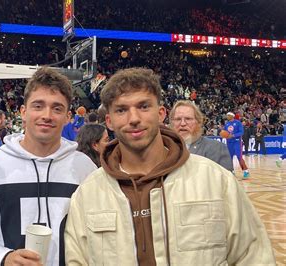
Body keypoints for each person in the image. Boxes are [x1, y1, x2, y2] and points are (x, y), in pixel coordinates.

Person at [64, 68, 275, 265]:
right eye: (121, 110)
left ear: (161, 113)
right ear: (109, 121)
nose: (134, 118)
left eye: (144, 106)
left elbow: (254, 255)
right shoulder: (88, 193)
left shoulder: (216, 180)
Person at [0, 67, 97, 266]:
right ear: (23, 112)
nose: (47, 115)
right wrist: (2, 256)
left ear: (67, 117)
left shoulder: (84, 167)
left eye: (57, 108)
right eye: (38, 106)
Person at [170, 100, 233, 171]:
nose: (183, 123)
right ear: (172, 123)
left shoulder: (217, 148)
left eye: (188, 119)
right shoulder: (165, 149)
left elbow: (225, 181)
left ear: (199, 122)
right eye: (178, 119)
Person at [224, 112, 250, 178]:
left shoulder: (238, 123)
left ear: (232, 116)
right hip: (229, 142)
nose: (227, 116)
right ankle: (231, 171)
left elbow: (241, 132)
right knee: (230, 157)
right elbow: (224, 132)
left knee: (239, 156)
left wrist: (234, 135)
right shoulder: (227, 124)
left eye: (228, 115)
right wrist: (223, 134)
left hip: (237, 142)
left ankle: (245, 171)